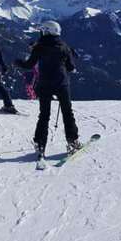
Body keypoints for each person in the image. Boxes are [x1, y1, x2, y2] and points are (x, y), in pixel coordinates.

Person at [15, 20, 82, 163]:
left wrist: (18, 62)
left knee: (44, 115)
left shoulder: (39, 47)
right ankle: (73, 142)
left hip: (44, 84)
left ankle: (40, 145)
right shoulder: (64, 47)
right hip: (62, 84)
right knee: (67, 113)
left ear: (46, 31)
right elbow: (71, 67)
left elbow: (29, 65)